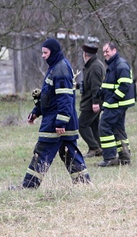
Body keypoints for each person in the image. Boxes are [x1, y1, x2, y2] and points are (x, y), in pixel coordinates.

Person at [11, 38, 90, 189]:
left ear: (52, 52)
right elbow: (49, 97)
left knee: (42, 151)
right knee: (69, 153)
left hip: (56, 123)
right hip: (60, 121)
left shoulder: (61, 69)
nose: (43, 56)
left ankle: (28, 186)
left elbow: (65, 99)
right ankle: (83, 184)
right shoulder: (55, 67)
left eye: (45, 52)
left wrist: (61, 122)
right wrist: (36, 112)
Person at [95, 42, 136, 167]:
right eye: (104, 52)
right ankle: (125, 157)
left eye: (107, 51)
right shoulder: (113, 65)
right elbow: (110, 84)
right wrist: (100, 93)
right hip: (116, 104)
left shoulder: (121, 65)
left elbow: (124, 86)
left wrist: (111, 100)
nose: (105, 54)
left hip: (117, 104)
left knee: (104, 126)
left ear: (114, 50)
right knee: (118, 129)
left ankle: (110, 157)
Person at [78, 43, 106, 158]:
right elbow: (89, 84)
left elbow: (96, 87)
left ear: (85, 54)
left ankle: (95, 148)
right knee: (94, 125)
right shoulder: (93, 65)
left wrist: (95, 103)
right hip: (92, 101)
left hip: (91, 102)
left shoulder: (94, 67)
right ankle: (98, 148)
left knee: (82, 125)